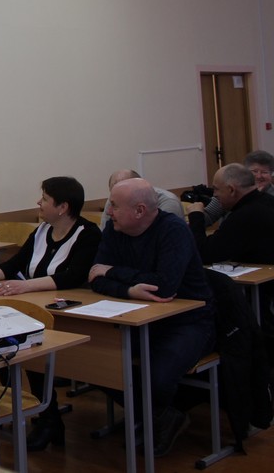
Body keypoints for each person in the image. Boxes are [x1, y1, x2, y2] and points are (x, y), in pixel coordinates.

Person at [0, 176, 101, 451]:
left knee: (35, 354)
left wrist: (25, 285)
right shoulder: (41, 231)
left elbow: (73, 276)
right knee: (10, 349)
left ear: (63, 207)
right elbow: (15, 263)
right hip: (33, 307)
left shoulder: (88, 233)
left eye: (45, 199)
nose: (39, 203)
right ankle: (34, 412)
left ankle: (48, 418)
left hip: (70, 310)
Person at [89, 178, 214, 458]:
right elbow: (95, 278)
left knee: (158, 376)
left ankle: (155, 415)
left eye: (114, 206)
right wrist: (130, 289)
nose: (108, 212)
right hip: (137, 317)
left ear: (140, 210)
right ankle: (161, 415)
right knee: (93, 360)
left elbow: (164, 286)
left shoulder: (173, 231)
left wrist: (113, 272)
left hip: (187, 321)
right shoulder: (114, 229)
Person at [187, 163, 274, 264]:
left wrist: (196, 215)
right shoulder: (268, 200)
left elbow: (203, 254)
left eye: (216, 189)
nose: (214, 195)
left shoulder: (245, 215)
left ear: (231, 190)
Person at [199, 150, 274, 226]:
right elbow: (208, 216)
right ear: (245, 173)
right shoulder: (228, 193)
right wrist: (196, 214)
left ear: (271, 175)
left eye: (264, 172)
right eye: (254, 171)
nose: (259, 176)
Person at [99, 169, 184, 229]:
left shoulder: (168, 202)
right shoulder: (114, 198)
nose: (109, 212)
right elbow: (105, 232)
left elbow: (160, 234)